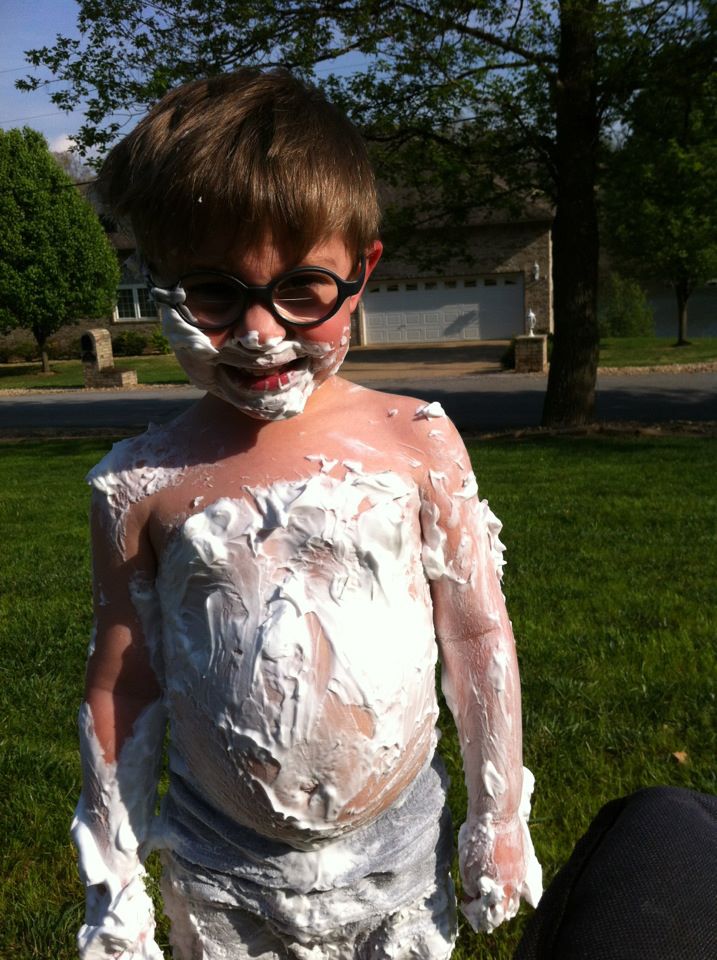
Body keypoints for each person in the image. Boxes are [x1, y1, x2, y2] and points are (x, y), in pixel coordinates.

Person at [72, 68, 541, 960]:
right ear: (155, 277)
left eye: (301, 290)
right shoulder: (140, 482)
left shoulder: (416, 442)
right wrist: (116, 876)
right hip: (218, 866)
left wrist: (499, 813)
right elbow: (122, 683)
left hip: (397, 858)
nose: (258, 332)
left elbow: (478, 637)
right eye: (212, 293)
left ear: (362, 270)